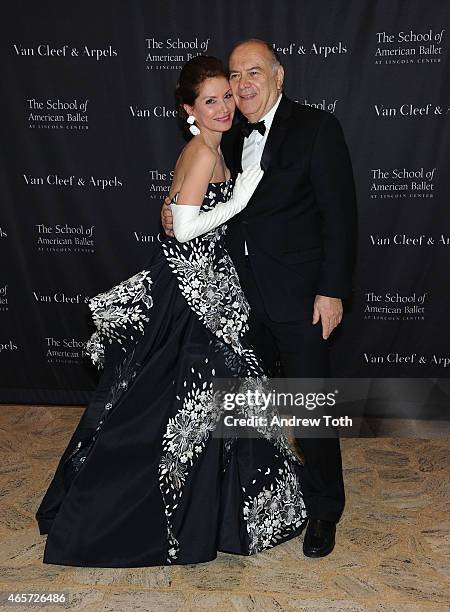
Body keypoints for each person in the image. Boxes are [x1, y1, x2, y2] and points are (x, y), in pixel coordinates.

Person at [35, 55, 308, 568]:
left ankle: (229, 510)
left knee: (205, 403)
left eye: (228, 95)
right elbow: (183, 229)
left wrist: (198, 206)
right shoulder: (203, 154)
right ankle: (170, 514)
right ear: (189, 108)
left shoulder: (209, 148)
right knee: (186, 405)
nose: (225, 106)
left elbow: (180, 213)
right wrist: (240, 198)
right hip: (191, 297)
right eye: (211, 100)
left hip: (210, 286)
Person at [162, 39, 358, 558]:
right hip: (239, 300)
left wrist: (332, 290)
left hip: (300, 301)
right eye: (235, 75)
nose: (243, 86)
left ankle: (323, 509)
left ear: (279, 75)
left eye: (254, 72)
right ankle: (239, 504)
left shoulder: (317, 129)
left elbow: (340, 219)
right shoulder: (225, 132)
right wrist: (170, 206)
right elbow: (200, 195)